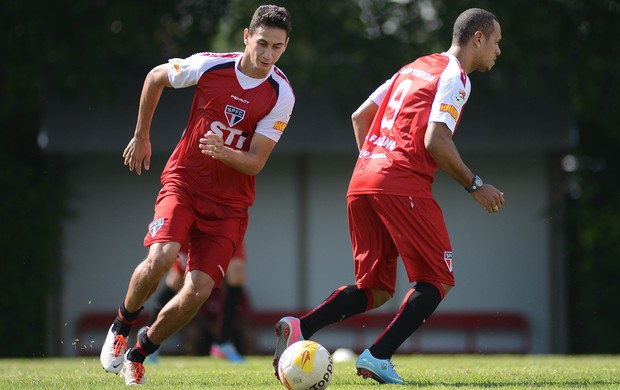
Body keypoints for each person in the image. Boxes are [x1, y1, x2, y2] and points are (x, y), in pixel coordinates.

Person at [272, 8, 503, 385]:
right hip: (401, 183)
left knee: (375, 289)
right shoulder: (456, 77)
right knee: (437, 278)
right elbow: (436, 140)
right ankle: (378, 356)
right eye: (496, 41)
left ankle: (301, 326)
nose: (498, 50)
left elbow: (359, 117)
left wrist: (377, 163)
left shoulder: (413, 68)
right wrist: (476, 185)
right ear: (477, 38)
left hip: (363, 180)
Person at [99, 4, 294, 386]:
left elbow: (255, 162)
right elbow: (156, 77)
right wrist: (142, 135)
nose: (268, 54)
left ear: (285, 47)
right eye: (262, 44)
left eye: (277, 47)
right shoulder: (210, 66)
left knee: (199, 289)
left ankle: (140, 352)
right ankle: (122, 325)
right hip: (184, 182)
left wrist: (224, 152)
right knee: (161, 257)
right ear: (245, 37)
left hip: (230, 205)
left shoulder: (281, 95)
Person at [141, 243, 249, 363]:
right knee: (177, 280)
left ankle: (223, 342)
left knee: (237, 274)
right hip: (197, 228)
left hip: (227, 225)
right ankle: (146, 338)